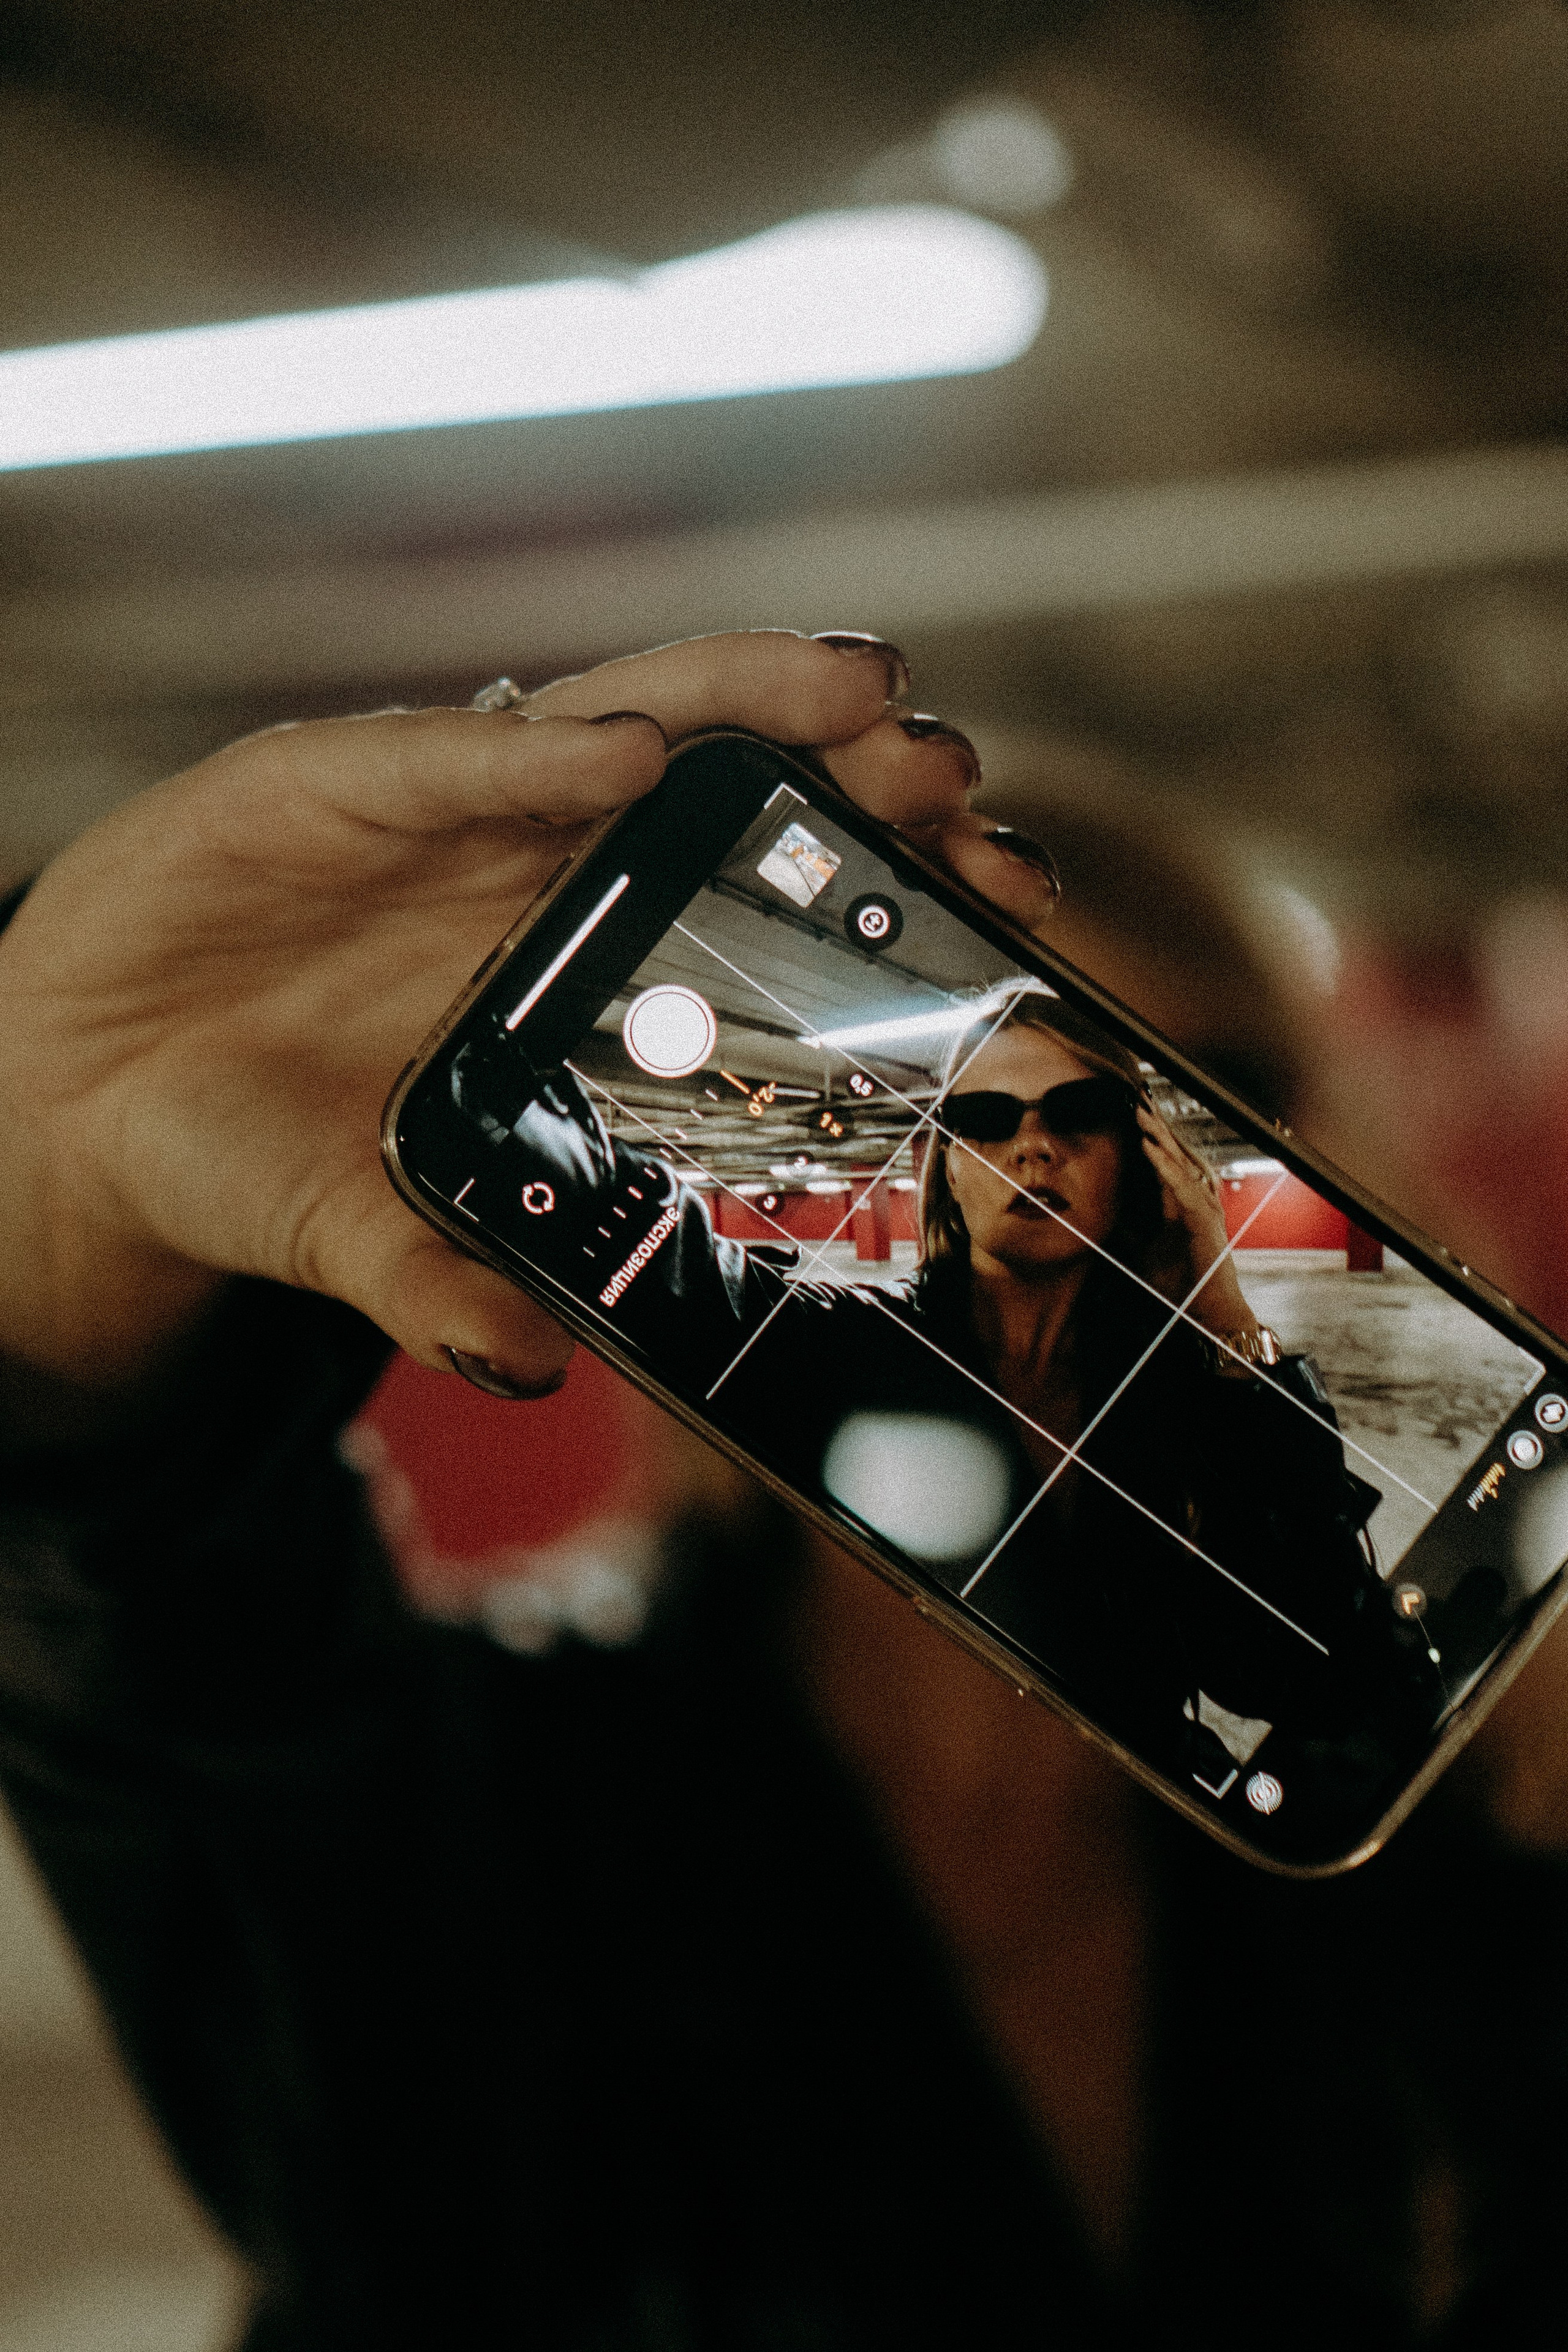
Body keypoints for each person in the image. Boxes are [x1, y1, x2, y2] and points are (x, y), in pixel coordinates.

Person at [0, 631, 1566, 2346]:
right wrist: (53, 1226)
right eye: (951, 1122)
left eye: (1173, 1106)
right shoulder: (523, 1829)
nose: (1066, 1196)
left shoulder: (1446, 1881)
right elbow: (180, 1651)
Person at [453, 980, 1423, 1812]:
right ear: (949, 1170)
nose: (1033, 1149)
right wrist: (499, 1104)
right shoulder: (847, 1346)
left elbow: (1310, 1677)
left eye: (1077, 1114)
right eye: (989, 1121)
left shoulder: (1190, 1402)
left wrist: (1227, 1325)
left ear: (1142, 1159)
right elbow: (667, 1266)